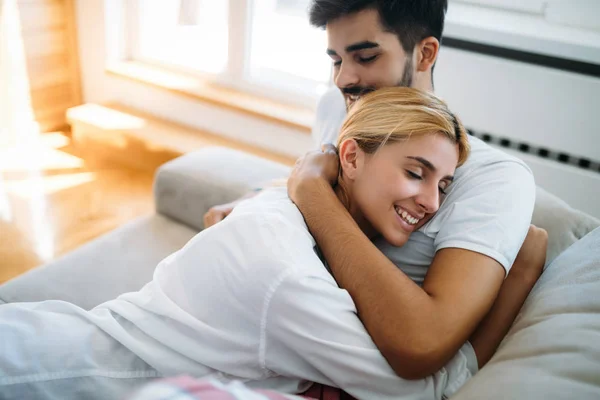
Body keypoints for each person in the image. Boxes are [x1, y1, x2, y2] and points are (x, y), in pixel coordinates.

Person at [0, 88, 545, 400]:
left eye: (443, 185)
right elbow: (424, 393)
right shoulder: (283, 266)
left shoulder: (303, 220)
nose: (431, 201)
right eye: (415, 172)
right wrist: (520, 272)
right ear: (351, 157)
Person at [204, 0, 539, 380]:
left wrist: (311, 192)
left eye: (365, 56)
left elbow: (421, 345)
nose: (343, 79)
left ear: (425, 53)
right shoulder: (337, 108)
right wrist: (256, 197)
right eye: (336, 60)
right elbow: (332, 182)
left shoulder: (494, 178)